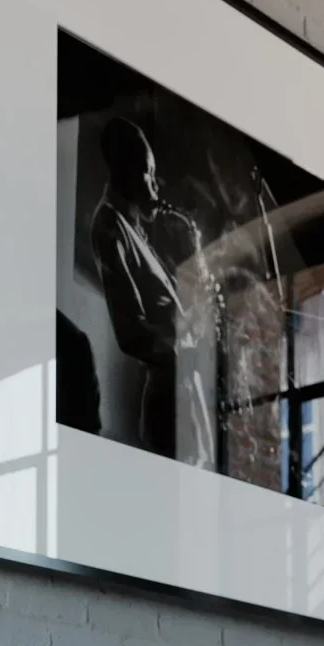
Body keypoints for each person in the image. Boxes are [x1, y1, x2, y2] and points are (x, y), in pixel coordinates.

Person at [89, 116, 215, 462]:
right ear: (126, 171)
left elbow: (166, 319)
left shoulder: (135, 230)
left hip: (183, 398)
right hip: (168, 405)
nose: (156, 185)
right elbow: (130, 333)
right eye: (149, 171)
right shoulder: (110, 227)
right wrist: (184, 351)